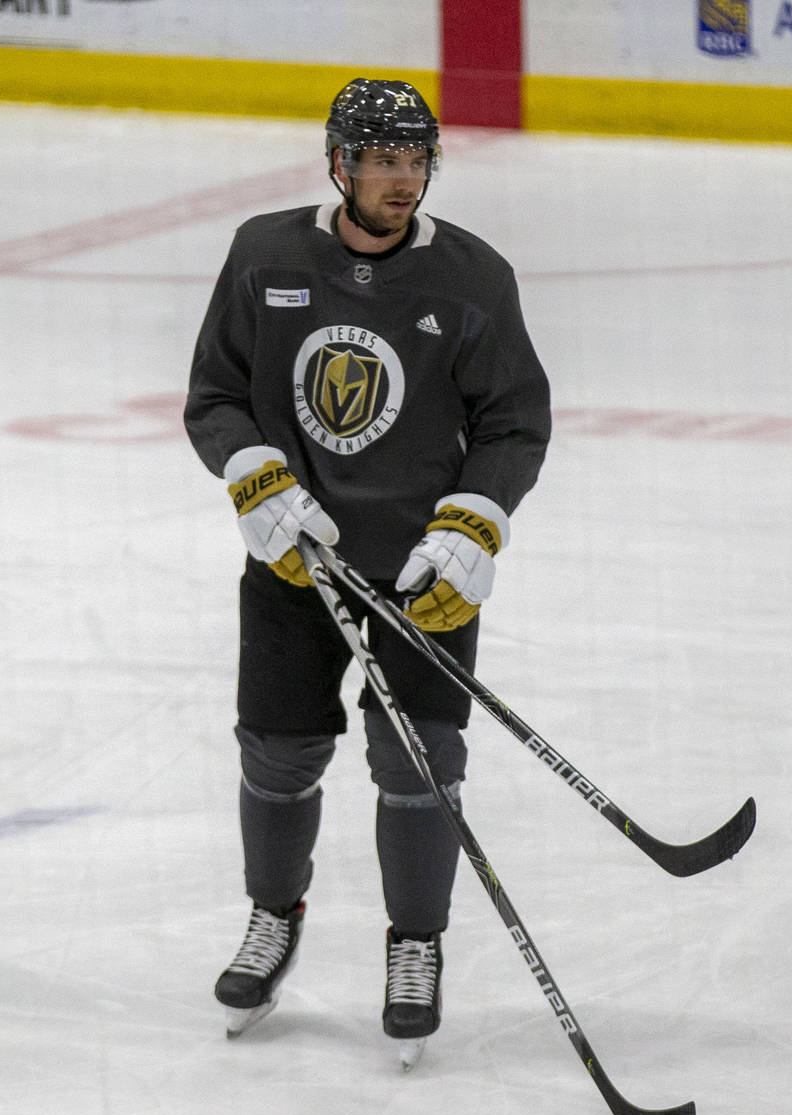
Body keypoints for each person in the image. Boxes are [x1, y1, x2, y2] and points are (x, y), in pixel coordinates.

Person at [184, 77, 550, 1060]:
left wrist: (471, 527)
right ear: (337, 164)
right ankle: (273, 915)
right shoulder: (266, 256)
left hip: (421, 580)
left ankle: (415, 943)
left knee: (416, 766)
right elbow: (214, 396)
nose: (401, 179)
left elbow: (513, 422)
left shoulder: (472, 279)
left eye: (415, 160)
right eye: (382, 160)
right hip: (296, 570)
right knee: (277, 753)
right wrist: (257, 483)